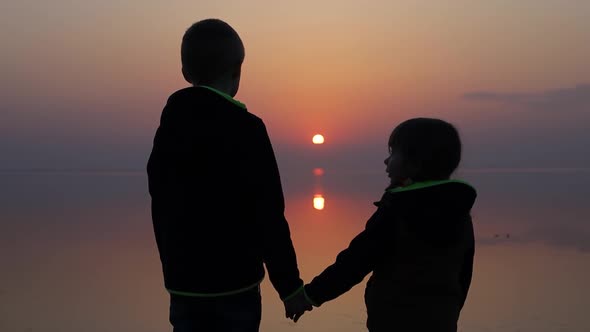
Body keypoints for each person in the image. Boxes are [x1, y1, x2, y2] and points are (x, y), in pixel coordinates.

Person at [147, 18, 310, 332]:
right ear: (238, 71)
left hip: (184, 286)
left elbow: (161, 197)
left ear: (185, 72)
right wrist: (290, 287)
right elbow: (269, 214)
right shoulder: (248, 129)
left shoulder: (170, 128)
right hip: (236, 286)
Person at [290, 118, 477, 331]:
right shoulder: (459, 214)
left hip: (393, 321)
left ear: (414, 163)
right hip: (442, 321)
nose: (386, 162)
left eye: (393, 153)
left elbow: (355, 262)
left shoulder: (397, 212)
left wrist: (309, 295)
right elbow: (464, 276)